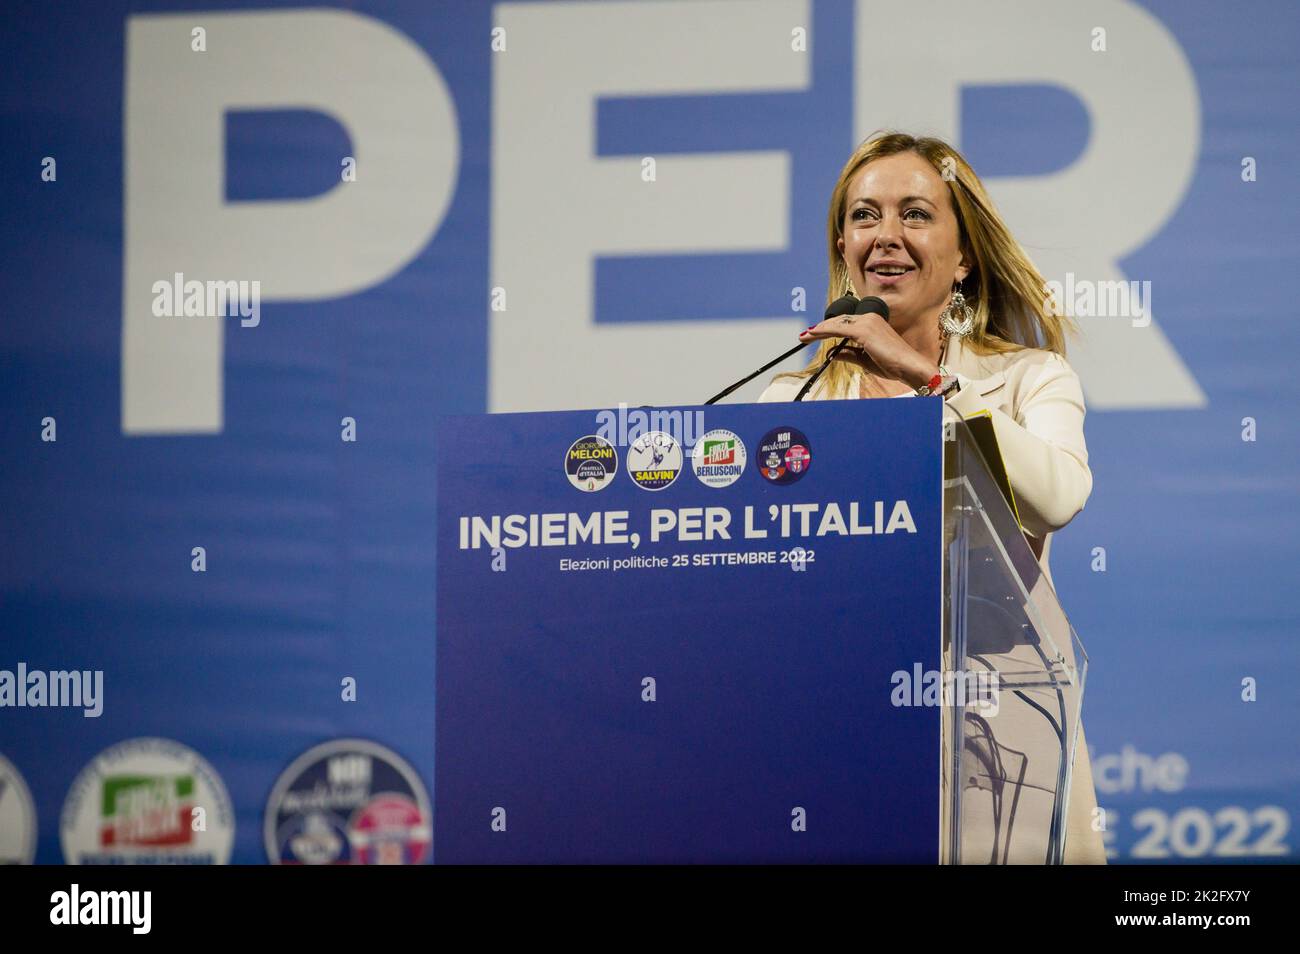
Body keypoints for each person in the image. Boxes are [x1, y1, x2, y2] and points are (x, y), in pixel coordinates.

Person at [759, 132, 1104, 864]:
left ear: (964, 256)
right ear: (842, 247)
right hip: (849, 736)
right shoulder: (795, 402)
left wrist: (929, 380)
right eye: (863, 216)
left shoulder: (1027, 380)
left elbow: (1057, 497)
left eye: (914, 214)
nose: (885, 236)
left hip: (1009, 735)